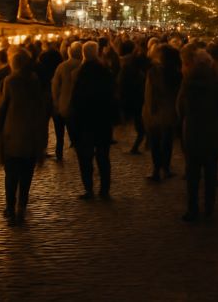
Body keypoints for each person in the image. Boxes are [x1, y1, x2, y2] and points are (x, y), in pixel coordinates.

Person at [0, 47, 47, 226]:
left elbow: (1, 107)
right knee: (26, 176)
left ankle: (10, 207)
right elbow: (41, 108)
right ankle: (21, 207)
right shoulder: (34, 80)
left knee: (11, 175)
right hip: (31, 136)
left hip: (13, 134)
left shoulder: (10, 81)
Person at [176, 51, 218, 221]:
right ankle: (209, 208)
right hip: (213, 133)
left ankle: (192, 209)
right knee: (210, 174)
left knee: (192, 175)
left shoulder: (188, 83)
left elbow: (180, 107)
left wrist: (185, 122)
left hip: (193, 132)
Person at [71, 42, 117, 199]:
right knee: (103, 157)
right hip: (103, 120)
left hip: (85, 122)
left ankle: (89, 189)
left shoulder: (80, 73)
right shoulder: (106, 72)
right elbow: (112, 96)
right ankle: (105, 190)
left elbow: (76, 100)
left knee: (86, 158)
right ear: (97, 54)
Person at [143, 44, 179, 181]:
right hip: (170, 111)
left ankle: (156, 170)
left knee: (156, 142)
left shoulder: (153, 72)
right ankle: (166, 168)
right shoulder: (176, 72)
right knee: (167, 141)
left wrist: (149, 111)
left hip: (156, 111)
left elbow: (149, 93)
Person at [51, 41, 83, 161]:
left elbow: (55, 85)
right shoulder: (83, 66)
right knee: (75, 132)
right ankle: (80, 153)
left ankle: (59, 153)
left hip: (61, 105)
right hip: (75, 106)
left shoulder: (62, 66)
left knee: (59, 134)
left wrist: (55, 101)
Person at [118, 40, 147, 154]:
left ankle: (137, 144)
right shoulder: (135, 71)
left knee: (139, 123)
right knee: (139, 124)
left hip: (133, 100)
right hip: (137, 100)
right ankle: (137, 145)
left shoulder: (126, 68)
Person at [36, 41, 63, 153]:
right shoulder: (59, 62)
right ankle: (59, 148)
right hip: (57, 94)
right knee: (59, 124)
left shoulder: (41, 65)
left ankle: (43, 148)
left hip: (45, 95)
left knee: (43, 123)